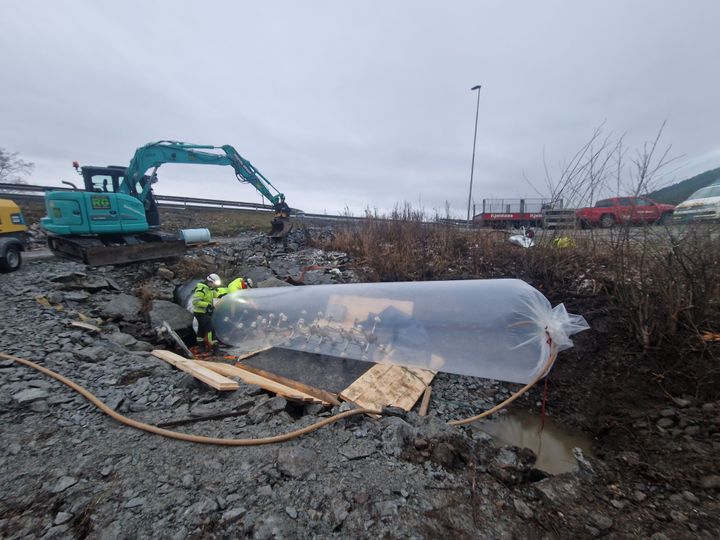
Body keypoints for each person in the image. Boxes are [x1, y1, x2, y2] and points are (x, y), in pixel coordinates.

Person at [192, 273, 222, 351]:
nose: (215, 286)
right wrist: (207, 305)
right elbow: (195, 302)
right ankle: (214, 348)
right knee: (210, 329)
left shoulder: (209, 289)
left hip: (204, 312)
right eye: (214, 284)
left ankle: (201, 347)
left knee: (201, 329)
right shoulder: (201, 289)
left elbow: (215, 294)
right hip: (200, 313)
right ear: (210, 282)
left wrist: (221, 295)